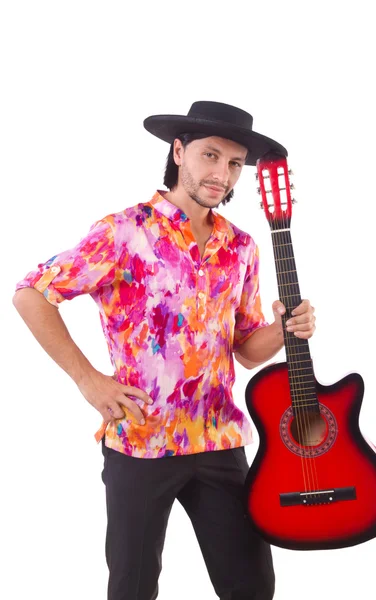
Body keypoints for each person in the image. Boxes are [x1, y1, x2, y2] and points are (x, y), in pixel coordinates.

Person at [13, 100, 316, 600]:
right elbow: (31, 293)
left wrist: (286, 327)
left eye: (235, 164)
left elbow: (245, 348)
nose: (223, 174)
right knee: (132, 588)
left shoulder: (241, 247)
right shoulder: (124, 232)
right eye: (211, 156)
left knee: (253, 587)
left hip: (219, 440)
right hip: (142, 441)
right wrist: (89, 380)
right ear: (179, 151)